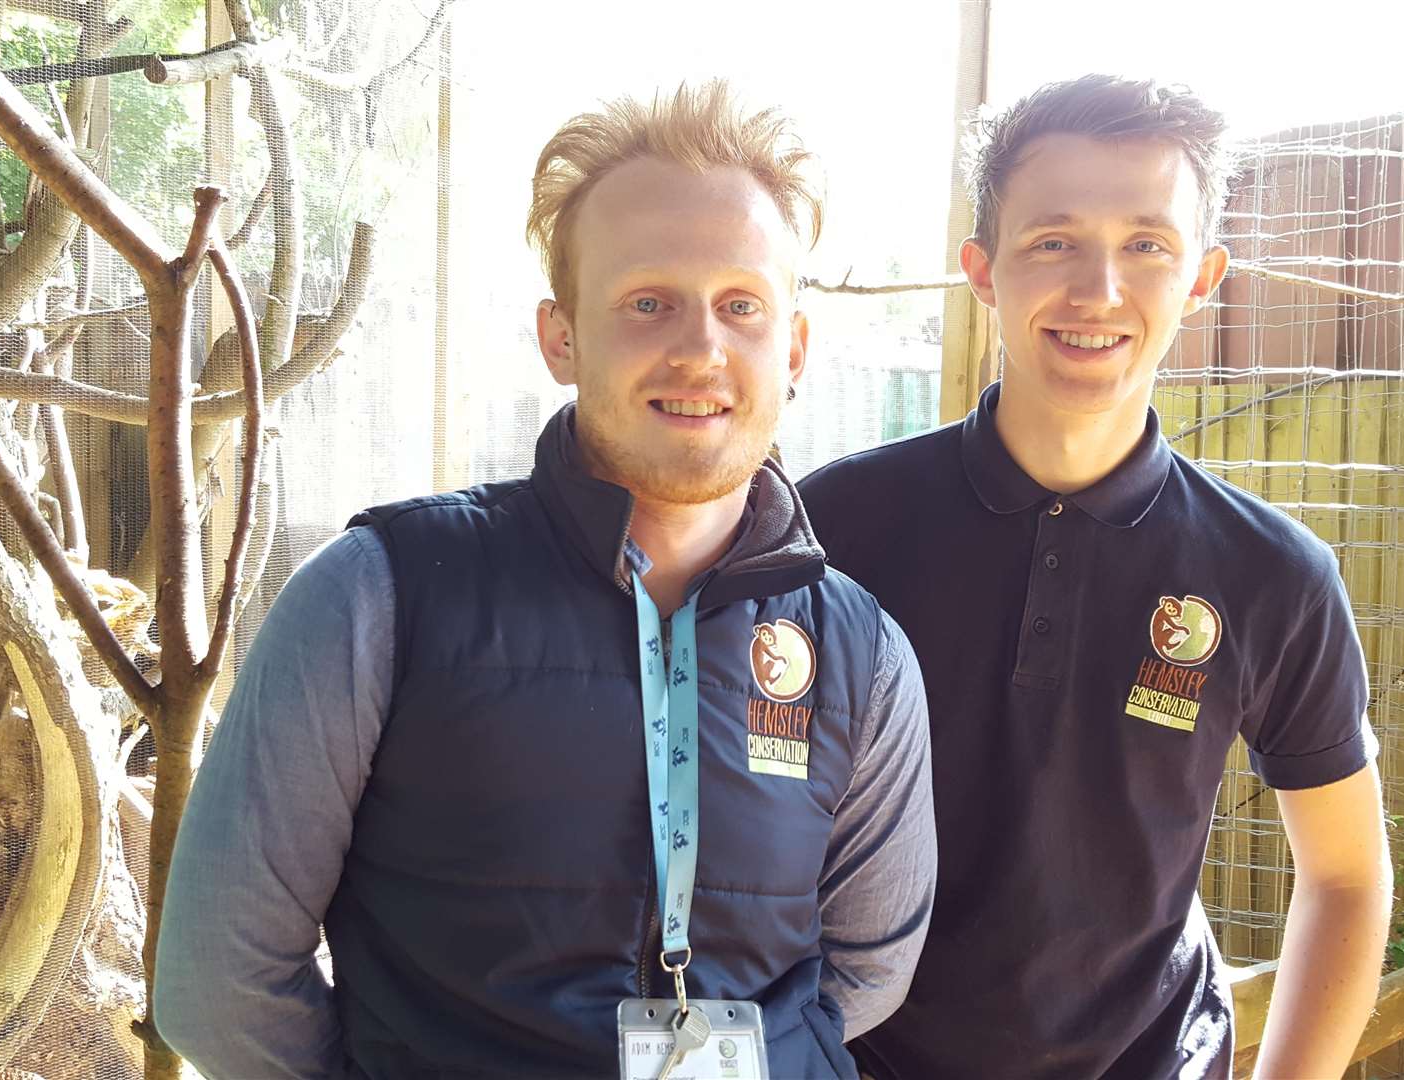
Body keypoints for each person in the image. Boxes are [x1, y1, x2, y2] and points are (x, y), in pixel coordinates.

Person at [153, 81, 936, 1080]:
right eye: (648, 302)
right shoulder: (380, 597)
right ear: (560, 335)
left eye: (741, 305)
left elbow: (867, 972)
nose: (701, 348)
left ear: (793, 346)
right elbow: (220, 978)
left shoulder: (859, 655)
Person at [798, 75, 1392, 1079]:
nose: (1099, 290)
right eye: (1053, 240)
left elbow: (1344, 876)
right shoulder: (836, 528)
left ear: (1203, 275)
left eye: (1147, 244)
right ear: (983, 270)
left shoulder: (1273, 574)